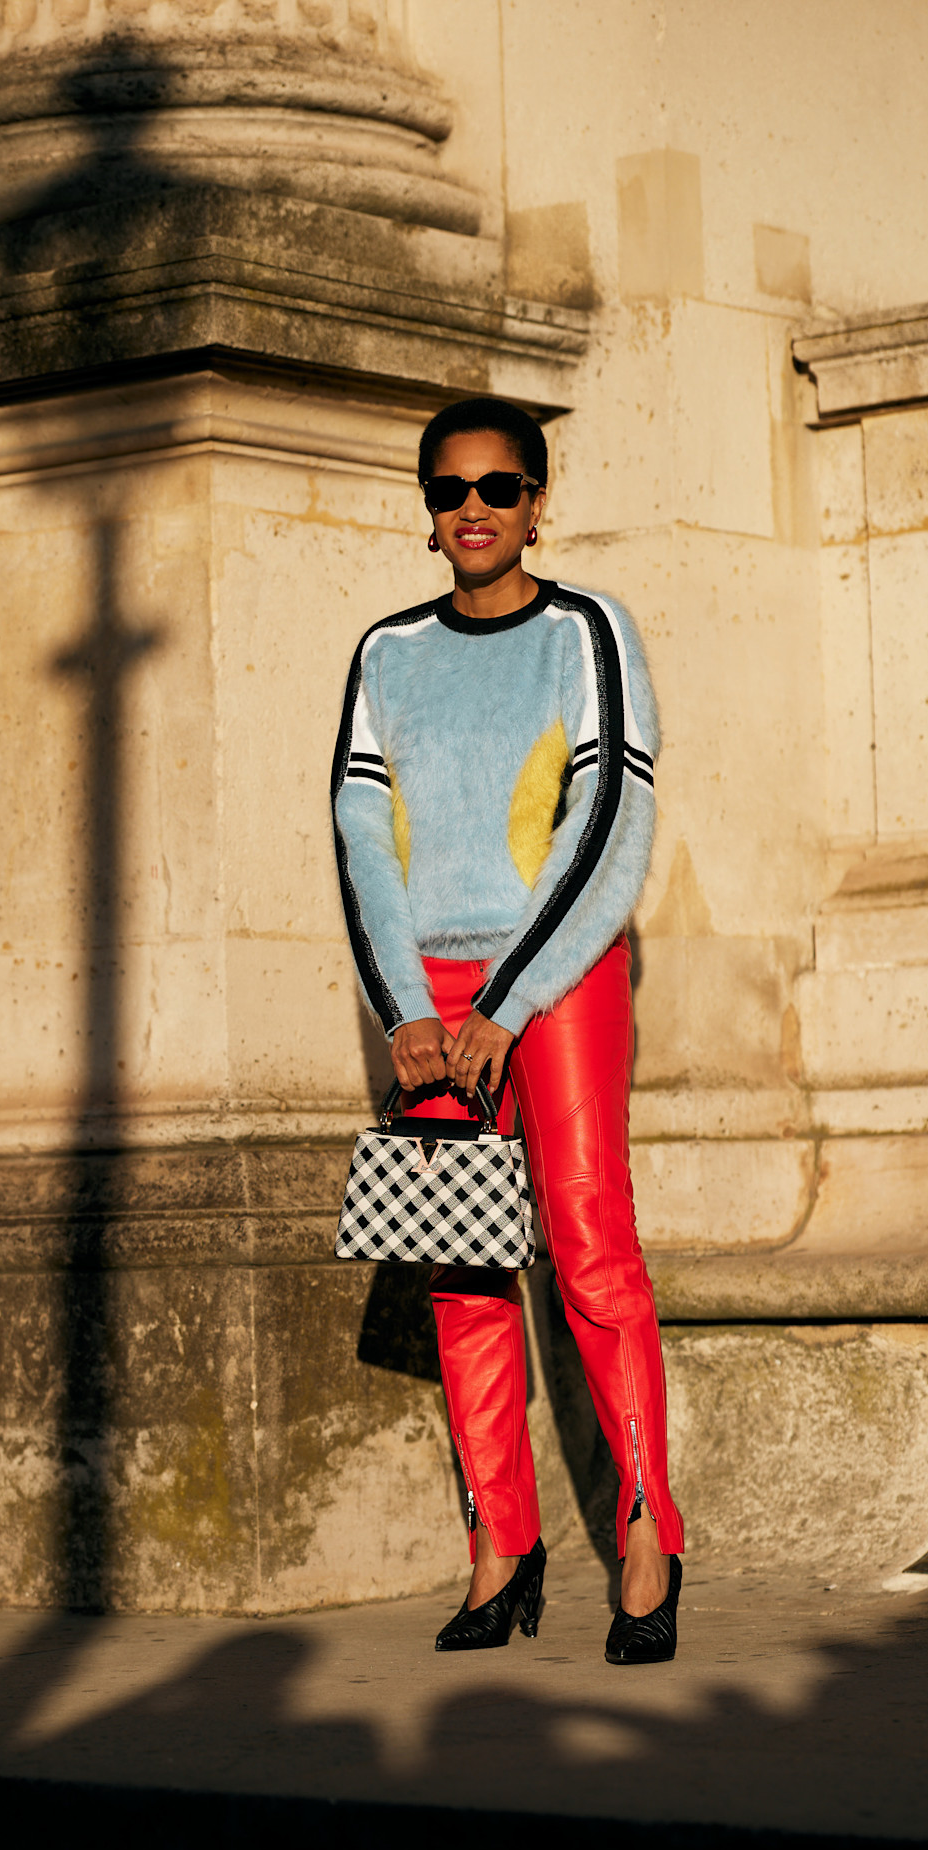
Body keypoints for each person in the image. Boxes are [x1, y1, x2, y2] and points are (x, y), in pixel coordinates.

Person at [331, 396, 684, 1665]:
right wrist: (408, 1008)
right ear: (427, 512)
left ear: (538, 502)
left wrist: (507, 998)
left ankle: (646, 1533)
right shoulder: (385, 654)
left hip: (560, 973)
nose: (472, 510)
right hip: (430, 994)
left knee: (591, 1247)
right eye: (449, 490)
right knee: (463, 1266)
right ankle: (500, 1546)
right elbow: (361, 838)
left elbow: (608, 827)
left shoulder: (587, 632)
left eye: (498, 487)